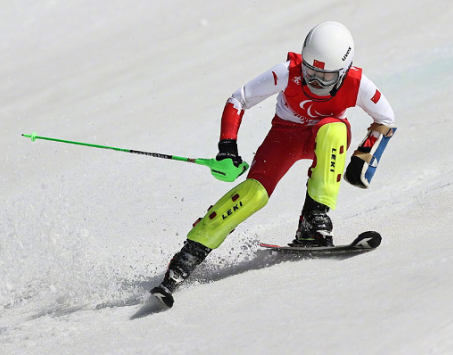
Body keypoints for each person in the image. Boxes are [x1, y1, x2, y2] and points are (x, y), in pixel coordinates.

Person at [150, 21, 396, 307]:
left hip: (323, 137)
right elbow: (239, 98)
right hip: (284, 138)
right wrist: (227, 146)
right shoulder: (288, 72)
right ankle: (188, 256)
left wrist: (365, 156)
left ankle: (313, 219)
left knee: (334, 129)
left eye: (325, 78)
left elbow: (387, 119)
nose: (315, 82)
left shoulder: (358, 84)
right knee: (253, 193)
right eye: (310, 73)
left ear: (342, 72)